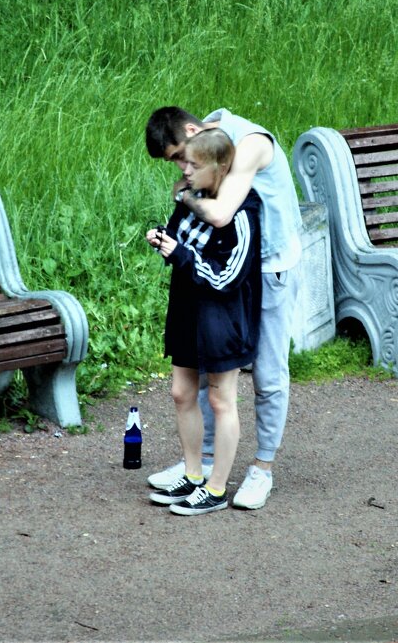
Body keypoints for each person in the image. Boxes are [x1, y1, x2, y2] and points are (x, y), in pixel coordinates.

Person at [144, 105, 302, 510]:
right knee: (201, 377)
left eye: (182, 157)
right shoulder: (209, 147)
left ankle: (261, 470)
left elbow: (219, 213)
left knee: (267, 375)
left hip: (269, 267)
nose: (181, 168)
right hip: (222, 272)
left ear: (195, 132)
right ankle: (202, 467)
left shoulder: (248, 145)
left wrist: (183, 197)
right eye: (178, 162)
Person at [145, 129, 262, 515]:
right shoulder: (193, 199)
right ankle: (193, 475)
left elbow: (227, 277)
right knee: (182, 393)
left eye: (195, 166)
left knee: (220, 398)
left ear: (221, 167)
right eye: (185, 163)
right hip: (187, 310)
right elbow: (181, 239)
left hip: (222, 318)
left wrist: (179, 254)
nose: (186, 173)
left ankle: (215, 488)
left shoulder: (243, 211)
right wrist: (164, 242)